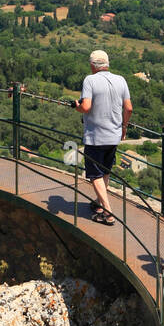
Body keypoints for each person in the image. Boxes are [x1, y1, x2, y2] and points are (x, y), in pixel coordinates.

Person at [70, 50, 132, 226]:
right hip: (114, 135)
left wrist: (77, 107)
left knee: (94, 174)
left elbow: (86, 107)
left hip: (95, 136)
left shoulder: (90, 80)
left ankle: (108, 212)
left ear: (92, 65)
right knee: (105, 171)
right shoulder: (121, 80)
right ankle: (99, 204)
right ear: (107, 64)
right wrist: (124, 127)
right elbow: (128, 108)